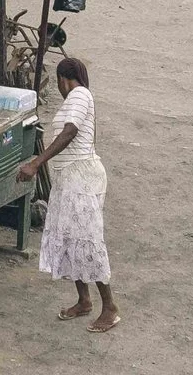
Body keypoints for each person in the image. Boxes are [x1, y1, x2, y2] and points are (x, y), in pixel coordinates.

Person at [16, 56, 117, 331]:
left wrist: (36, 163)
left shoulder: (79, 94)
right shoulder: (74, 99)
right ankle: (84, 300)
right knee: (72, 240)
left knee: (88, 240)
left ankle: (110, 306)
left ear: (62, 78)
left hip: (82, 179)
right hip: (69, 180)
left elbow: (70, 131)